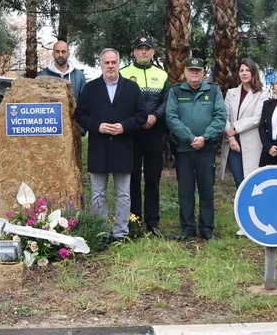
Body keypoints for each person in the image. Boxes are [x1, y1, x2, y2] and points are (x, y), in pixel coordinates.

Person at [76, 49, 147, 242]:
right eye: (106, 62)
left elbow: (141, 116)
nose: (110, 66)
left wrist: (124, 127)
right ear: (101, 64)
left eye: (113, 62)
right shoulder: (91, 88)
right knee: (98, 194)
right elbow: (80, 114)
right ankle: (102, 231)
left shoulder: (131, 88)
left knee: (123, 194)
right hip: (98, 147)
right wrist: (97, 126)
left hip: (123, 148)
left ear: (119, 63)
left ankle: (120, 233)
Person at [165, 57, 227, 241]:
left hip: (206, 149)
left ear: (203, 73)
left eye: (198, 70)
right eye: (191, 70)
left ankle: (207, 228)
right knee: (185, 190)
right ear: (185, 72)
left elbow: (220, 117)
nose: (194, 73)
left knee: (206, 189)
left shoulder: (214, 91)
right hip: (184, 149)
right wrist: (190, 138)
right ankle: (187, 228)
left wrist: (205, 137)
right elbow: (171, 117)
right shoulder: (176, 91)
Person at [119, 34, 170, 235]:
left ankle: (152, 222)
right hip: (132, 134)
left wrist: (155, 116)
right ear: (134, 51)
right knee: (132, 178)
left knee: (152, 178)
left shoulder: (162, 74)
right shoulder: (124, 73)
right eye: (139, 48)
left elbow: (166, 101)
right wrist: (137, 120)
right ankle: (134, 220)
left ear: (152, 52)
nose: (143, 51)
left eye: (147, 48)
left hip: (154, 133)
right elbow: (121, 102)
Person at [219, 58, 266, 185]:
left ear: (253, 73)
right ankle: (240, 205)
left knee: (252, 182)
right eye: (241, 70)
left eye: (247, 70)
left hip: (252, 144)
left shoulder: (262, 93)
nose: (244, 73)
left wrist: (234, 129)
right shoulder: (231, 93)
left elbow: (257, 118)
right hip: (232, 143)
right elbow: (224, 116)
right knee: (239, 181)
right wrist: (231, 138)